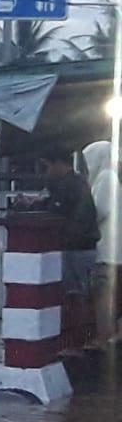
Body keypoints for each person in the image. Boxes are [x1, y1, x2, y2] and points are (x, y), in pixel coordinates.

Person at [22, 147, 100, 298]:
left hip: (76, 250)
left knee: (74, 295)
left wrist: (35, 205)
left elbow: (55, 213)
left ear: (57, 163)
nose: (46, 172)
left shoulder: (68, 186)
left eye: (47, 167)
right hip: (82, 248)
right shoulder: (76, 183)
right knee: (82, 295)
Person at [82, 141, 122, 348]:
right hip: (115, 249)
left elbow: (99, 210)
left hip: (107, 249)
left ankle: (103, 337)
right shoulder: (111, 177)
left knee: (103, 295)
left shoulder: (106, 178)